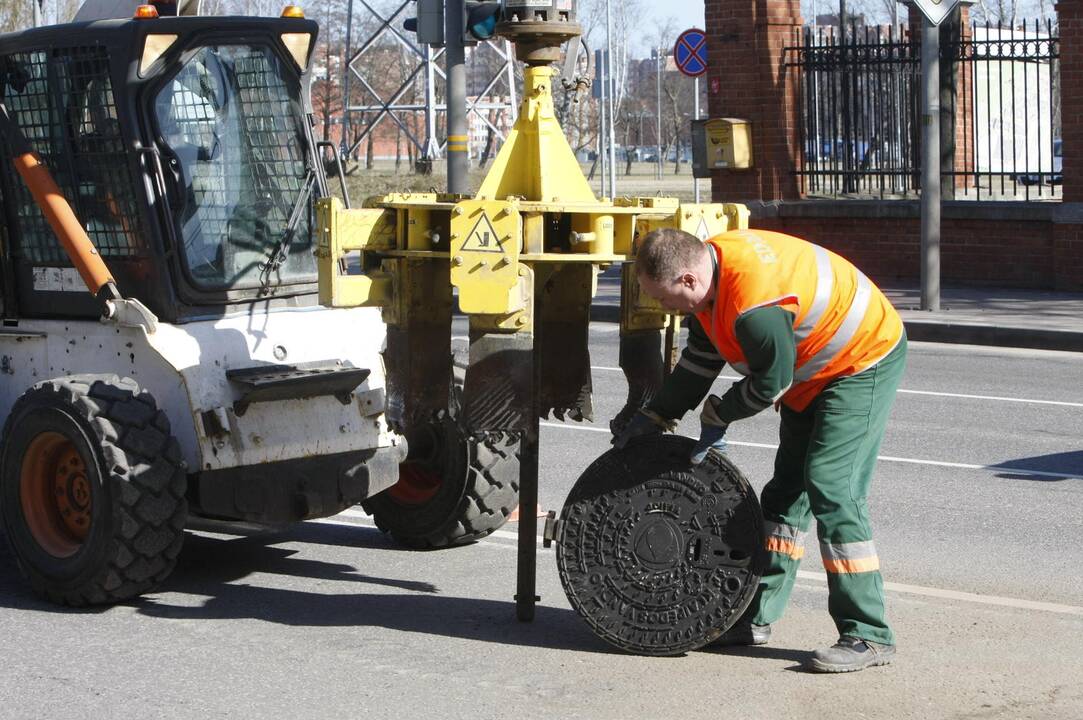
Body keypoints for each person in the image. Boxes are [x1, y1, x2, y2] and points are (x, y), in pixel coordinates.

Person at [614, 227, 907, 673]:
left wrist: (719, 413)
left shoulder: (753, 305)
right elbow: (699, 362)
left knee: (832, 487)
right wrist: (656, 415)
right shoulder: (712, 283)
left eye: (665, 298)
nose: (663, 309)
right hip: (812, 367)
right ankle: (754, 617)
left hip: (859, 360)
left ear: (690, 280)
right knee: (785, 494)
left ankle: (868, 633)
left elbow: (771, 383)